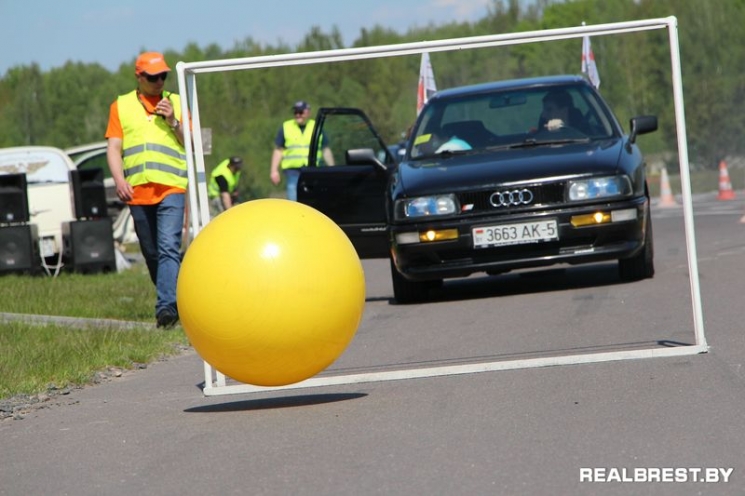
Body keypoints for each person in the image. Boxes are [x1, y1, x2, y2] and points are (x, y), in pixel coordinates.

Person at [105, 51, 187, 329]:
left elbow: (192, 142)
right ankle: (176, 288)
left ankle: (167, 309)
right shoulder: (121, 106)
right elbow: (114, 148)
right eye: (153, 77)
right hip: (137, 191)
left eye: (163, 76)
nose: (159, 81)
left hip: (172, 187)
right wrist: (119, 180)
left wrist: (173, 121)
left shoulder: (177, 102)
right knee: (152, 253)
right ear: (139, 77)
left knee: (168, 248)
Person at [269, 100, 334, 201]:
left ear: (308, 112)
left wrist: (332, 169)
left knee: (314, 200)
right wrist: (274, 171)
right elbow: (278, 150)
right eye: (295, 112)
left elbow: (325, 149)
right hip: (293, 172)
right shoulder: (286, 127)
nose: (298, 115)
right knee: (294, 200)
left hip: (313, 171)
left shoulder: (316, 126)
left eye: (300, 112)